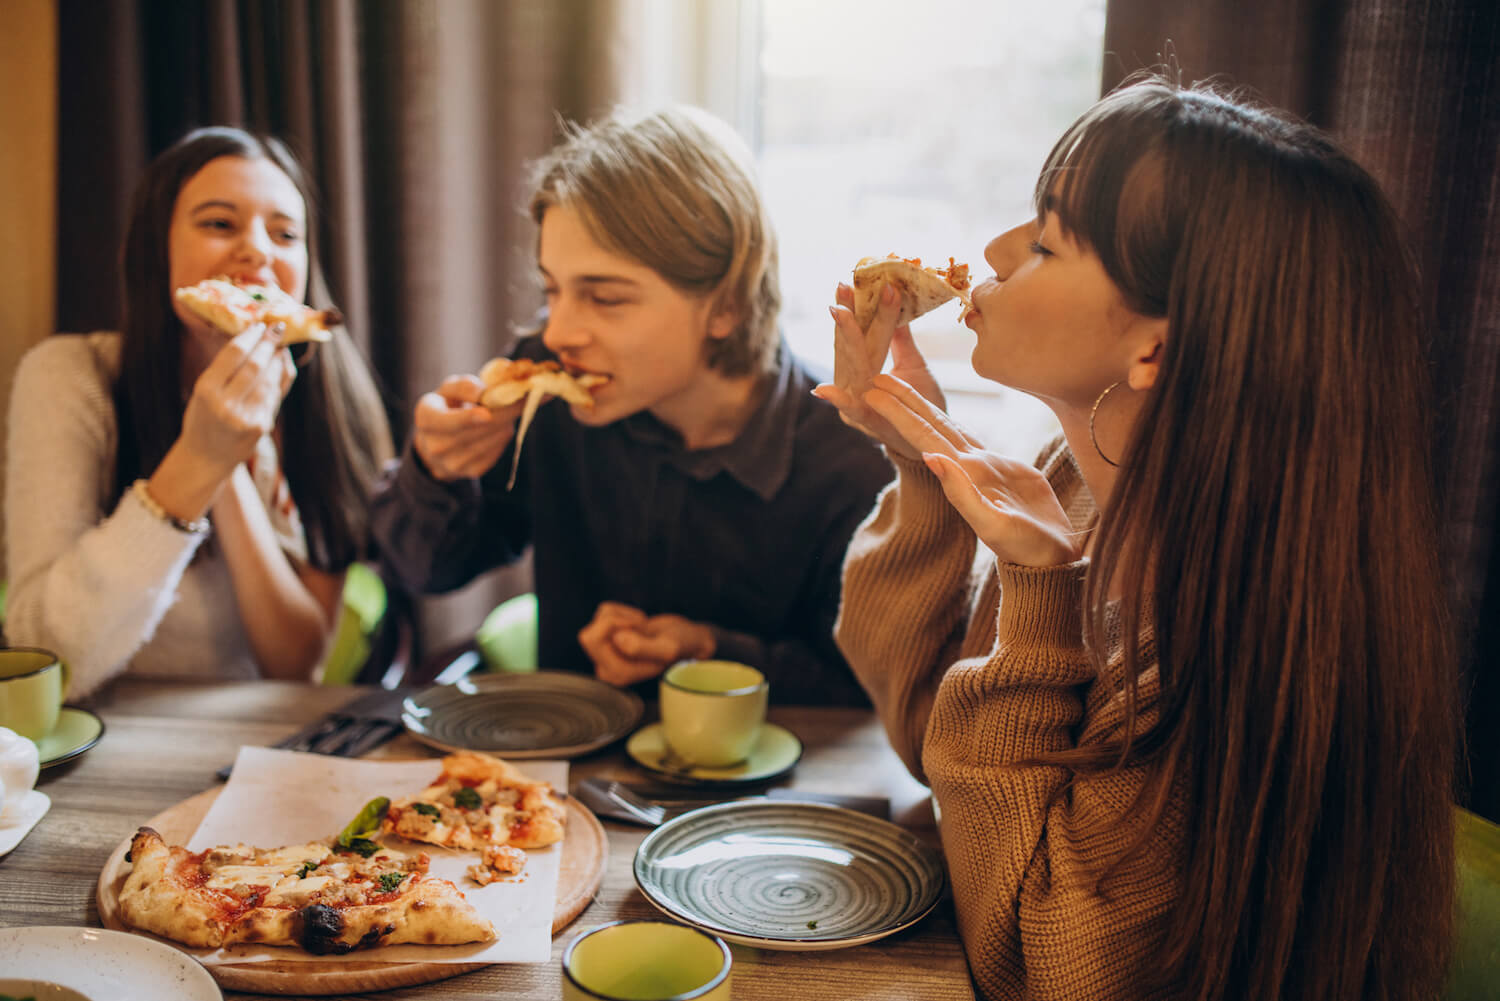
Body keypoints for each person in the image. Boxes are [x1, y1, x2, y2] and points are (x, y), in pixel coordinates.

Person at [819, 76, 1456, 1000]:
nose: (994, 249)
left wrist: (1041, 591)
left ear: (1155, 348)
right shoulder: (1071, 486)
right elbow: (937, 751)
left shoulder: (1232, 638)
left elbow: (1035, 964)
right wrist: (917, 460)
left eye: (1043, 241)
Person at [370, 106, 891, 705]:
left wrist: (707, 652)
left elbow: (865, 694)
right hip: (560, 779)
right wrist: (435, 470)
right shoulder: (551, 388)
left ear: (726, 305)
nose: (560, 332)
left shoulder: (853, 463)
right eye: (552, 289)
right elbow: (424, 570)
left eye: (605, 298)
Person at [5, 127, 393, 700]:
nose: (259, 250)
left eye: (285, 233)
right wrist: (197, 458)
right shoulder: (70, 376)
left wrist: (227, 465)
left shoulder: (329, 408)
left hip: (249, 740)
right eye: (219, 223)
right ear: (152, 248)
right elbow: (46, 657)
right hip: (94, 737)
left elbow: (295, 664)